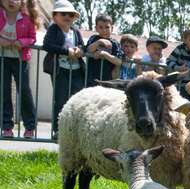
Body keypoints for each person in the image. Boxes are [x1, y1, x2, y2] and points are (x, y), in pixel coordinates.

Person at [43, 0, 85, 139]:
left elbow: (82, 46)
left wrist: (80, 50)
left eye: (71, 15)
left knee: (77, 100)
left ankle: (76, 130)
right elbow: (47, 45)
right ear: (55, 16)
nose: (67, 16)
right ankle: (58, 130)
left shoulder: (76, 31)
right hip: (60, 70)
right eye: (63, 13)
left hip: (77, 70)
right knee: (60, 100)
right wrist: (66, 51)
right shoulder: (53, 29)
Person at [0, 0, 39, 139]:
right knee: (3, 91)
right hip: (2, 58)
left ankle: (30, 127)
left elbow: (32, 38)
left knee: (23, 90)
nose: (11, 1)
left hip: (20, 60)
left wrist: (21, 42)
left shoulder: (26, 19)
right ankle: (6, 127)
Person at [166, 26, 190, 99]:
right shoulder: (179, 49)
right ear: (185, 40)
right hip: (179, 84)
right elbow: (169, 61)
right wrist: (178, 68)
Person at [85, 14, 122, 87]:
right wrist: (99, 42)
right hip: (91, 80)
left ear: (112, 28)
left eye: (107, 27)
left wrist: (104, 54)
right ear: (96, 28)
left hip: (107, 81)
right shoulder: (93, 39)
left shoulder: (115, 43)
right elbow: (88, 50)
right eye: (101, 27)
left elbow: (119, 61)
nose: (104, 30)